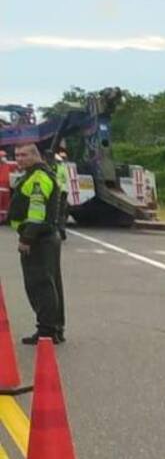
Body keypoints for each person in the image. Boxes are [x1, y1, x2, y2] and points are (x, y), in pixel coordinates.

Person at [8, 144, 64, 344]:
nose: (19, 159)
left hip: (39, 239)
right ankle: (54, 329)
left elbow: (37, 211)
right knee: (50, 283)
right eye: (17, 155)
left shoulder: (38, 177)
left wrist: (26, 238)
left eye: (23, 155)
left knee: (40, 285)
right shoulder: (37, 174)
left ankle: (47, 331)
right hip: (45, 237)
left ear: (35, 156)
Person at [53, 148, 70, 241]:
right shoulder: (64, 167)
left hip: (57, 190)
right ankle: (62, 229)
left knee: (55, 211)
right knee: (62, 212)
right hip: (64, 191)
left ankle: (57, 230)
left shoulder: (54, 167)